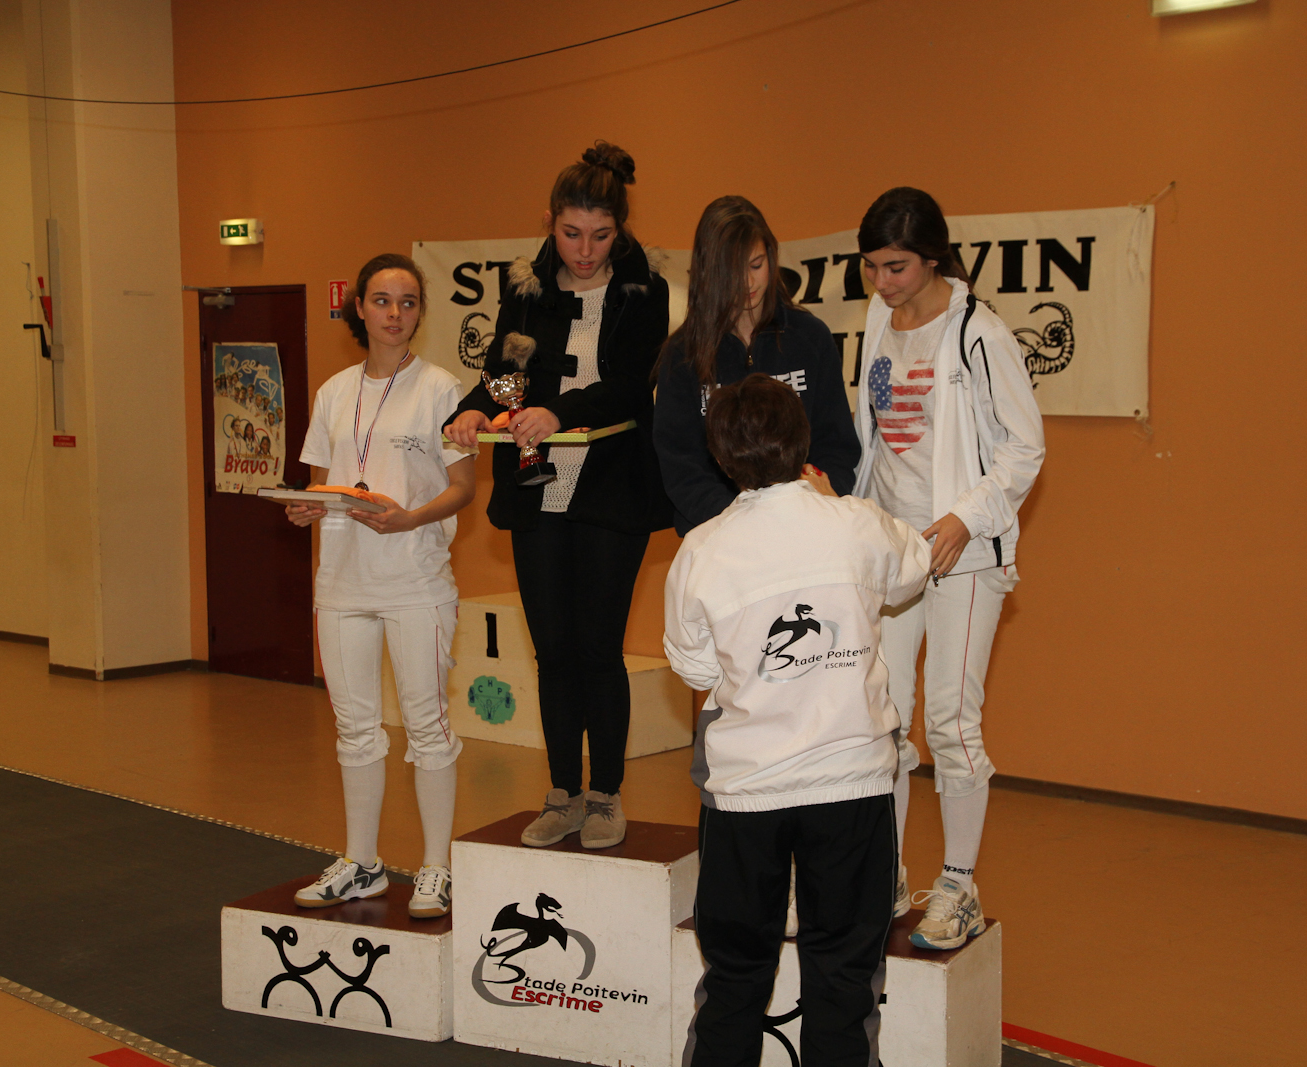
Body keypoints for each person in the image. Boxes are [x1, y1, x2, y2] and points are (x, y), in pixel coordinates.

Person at [663, 374, 930, 1067]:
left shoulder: (701, 548)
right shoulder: (856, 523)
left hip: (746, 792)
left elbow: (694, 667)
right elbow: (914, 567)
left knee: (735, 975)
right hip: (851, 786)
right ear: (804, 441)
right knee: (844, 974)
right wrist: (831, 505)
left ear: (720, 456)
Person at [444, 142, 672, 850]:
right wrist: (475, 409)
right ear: (550, 223)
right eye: (571, 233)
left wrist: (559, 412)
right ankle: (562, 792)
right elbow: (506, 375)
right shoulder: (525, 288)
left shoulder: (644, 290)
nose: (585, 250)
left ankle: (605, 795)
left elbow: (631, 386)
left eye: (600, 235)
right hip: (537, 482)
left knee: (599, 648)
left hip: (611, 485)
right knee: (552, 650)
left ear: (620, 229)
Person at [851, 187, 1045, 949]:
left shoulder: (978, 333)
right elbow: (874, 438)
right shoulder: (877, 320)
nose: (882, 282)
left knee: (949, 724)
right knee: (883, 718)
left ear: (933, 258)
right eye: (871, 267)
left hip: (964, 556)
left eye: (896, 267)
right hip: (894, 551)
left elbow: (1025, 447)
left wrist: (966, 515)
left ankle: (959, 886)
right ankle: (889, 875)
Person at [286, 253, 475, 918]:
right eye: (382, 300)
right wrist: (306, 506)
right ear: (359, 308)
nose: (395, 313)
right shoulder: (333, 392)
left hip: (416, 581)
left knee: (428, 728)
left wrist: (409, 518)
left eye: (408, 302)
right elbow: (323, 481)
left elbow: (463, 488)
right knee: (355, 730)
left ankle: (436, 868)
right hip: (342, 581)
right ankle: (362, 864)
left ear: (420, 312)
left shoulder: (443, 388)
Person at [654, 195, 861, 536]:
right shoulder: (682, 354)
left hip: (806, 526)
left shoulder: (810, 338)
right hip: (719, 533)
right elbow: (680, 464)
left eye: (755, 265)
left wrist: (803, 508)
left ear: (771, 257)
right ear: (708, 272)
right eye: (732, 271)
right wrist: (743, 523)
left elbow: (836, 446)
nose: (748, 283)